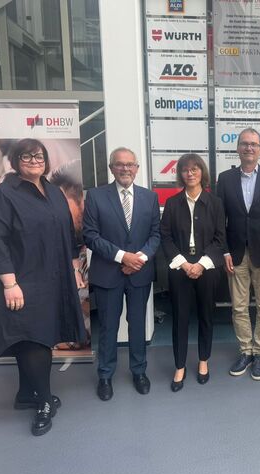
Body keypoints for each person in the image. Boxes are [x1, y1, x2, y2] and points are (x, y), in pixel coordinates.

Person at [0, 138, 87, 436]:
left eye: (39, 156)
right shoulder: (2, 194)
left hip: (53, 277)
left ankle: (26, 394)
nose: (33, 161)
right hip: (21, 280)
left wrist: (74, 268)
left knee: (35, 338)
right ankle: (44, 401)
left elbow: (68, 234)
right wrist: (9, 283)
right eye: (26, 156)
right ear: (15, 161)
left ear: (46, 160)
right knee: (35, 339)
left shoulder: (53, 192)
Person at [83, 147, 160, 401]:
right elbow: (90, 235)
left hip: (139, 273)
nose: (125, 168)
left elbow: (155, 235)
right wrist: (122, 257)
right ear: (111, 168)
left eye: (130, 164)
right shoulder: (95, 196)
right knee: (108, 326)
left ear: (137, 168)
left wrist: (138, 259)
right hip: (108, 273)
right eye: (119, 164)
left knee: (137, 324)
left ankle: (139, 371)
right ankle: (105, 375)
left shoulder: (149, 197)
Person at [216, 128, 260, 380]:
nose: (249, 148)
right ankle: (245, 351)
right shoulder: (225, 179)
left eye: (254, 144)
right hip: (235, 254)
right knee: (239, 306)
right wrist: (224, 251)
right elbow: (219, 220)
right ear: (237, 148)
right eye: (245, 143)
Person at [160, 154, 226, 392]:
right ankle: (179, 366)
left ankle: (203, 360)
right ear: (180, 174)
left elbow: (220, 239)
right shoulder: (172, 203)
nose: (190, 173)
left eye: (195, 169)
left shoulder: (215, 203)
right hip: (180, 268)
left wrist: (201, 264)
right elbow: (165, 237)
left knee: (206, 315)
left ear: (202, 172)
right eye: (185, 169)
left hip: (206, 268)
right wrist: (184, 264)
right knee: (180, 318)